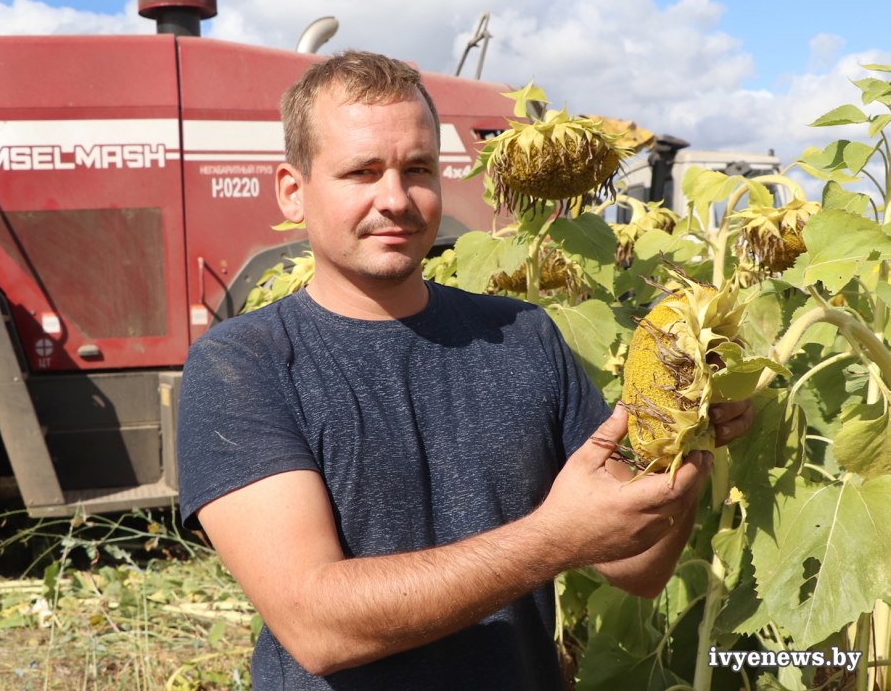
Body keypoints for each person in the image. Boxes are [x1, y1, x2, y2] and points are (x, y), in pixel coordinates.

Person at [176, 50, 754, 690]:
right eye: (361, 172)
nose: (394, 199)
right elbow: (319, 626)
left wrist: (689, 437)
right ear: (293, 190)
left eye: (416, 169)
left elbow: (639, 568)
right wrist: (554, 538)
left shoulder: (523, 335)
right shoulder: (244, 363)